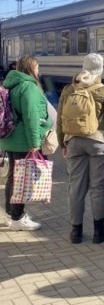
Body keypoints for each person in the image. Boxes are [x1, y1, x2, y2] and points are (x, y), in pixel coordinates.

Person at [56, 53, 104, 245]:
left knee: (76, 187)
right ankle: (98, 231)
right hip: (99, 143)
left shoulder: (69, 89)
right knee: (97, 187)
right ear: (100, 69)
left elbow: (61, 119)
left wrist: (62, 142)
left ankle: (76, 232)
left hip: (74, 142)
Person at [0, 55, 52, 231]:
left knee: (14, 177)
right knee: (21, 179)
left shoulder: (10, 83)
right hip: (23, 139)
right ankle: (18, 217)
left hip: (10, 138)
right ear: (30, 68)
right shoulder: (28, 86)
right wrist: (34, 143)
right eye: (37, 67)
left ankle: (10, 213)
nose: (38, 70)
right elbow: (31, 117)